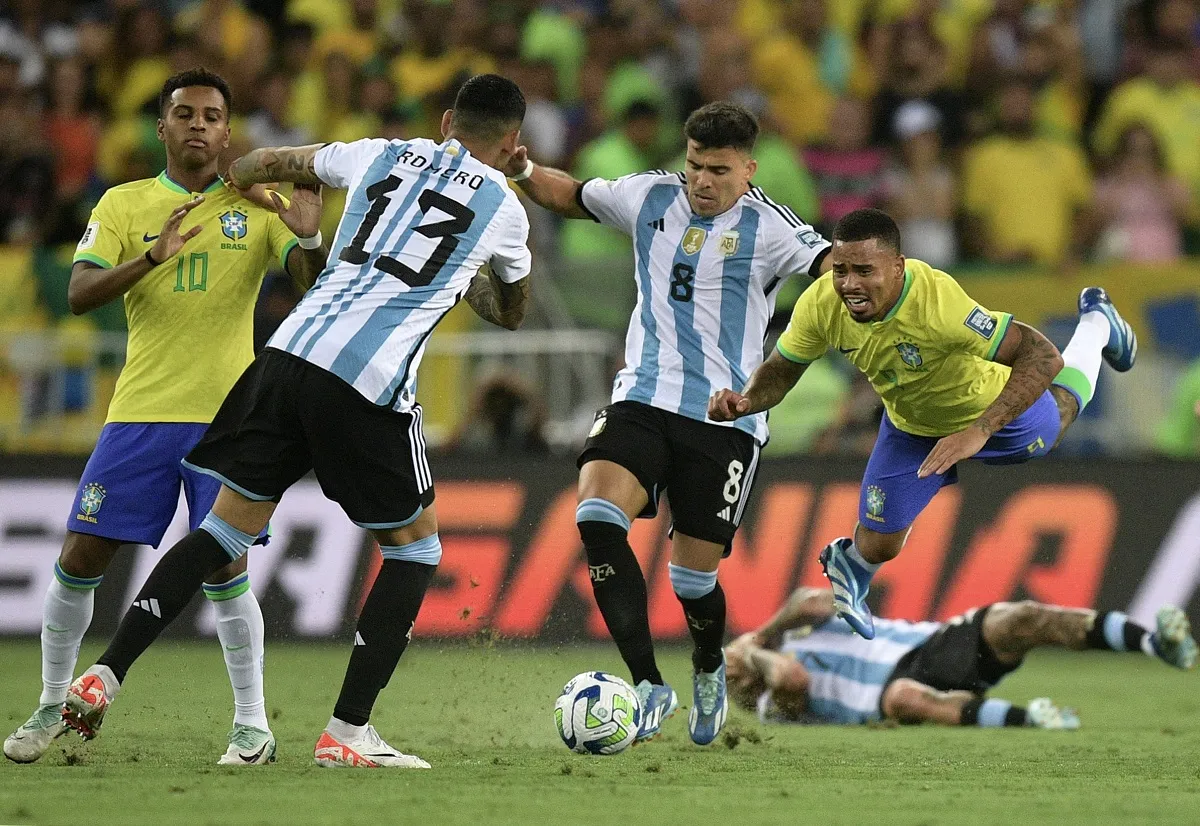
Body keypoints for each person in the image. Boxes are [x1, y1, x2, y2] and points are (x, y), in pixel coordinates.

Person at [58, 73, 533, 770]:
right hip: (367, 381)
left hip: (286, 355)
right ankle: (347, 732)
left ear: (444, 120)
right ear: (513, 142)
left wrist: (261, 189)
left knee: (222, 529)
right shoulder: (506, 208)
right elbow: (511, 311)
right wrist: (461, 276)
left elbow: (252, 164)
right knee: (415, 550)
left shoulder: (376, 153)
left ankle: (105, 673)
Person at [4, 68, 327, 766]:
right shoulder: (125, 203)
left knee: (224, 572)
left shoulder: (260, 203)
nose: (198, 125)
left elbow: (311, 286)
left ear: (228, 131)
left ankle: (252, 727)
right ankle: (51, 704)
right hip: (140, 415)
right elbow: (81, 291)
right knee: (79, 556)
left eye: (212, 115)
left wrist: (307, 241)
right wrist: (151, 256)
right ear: (162, 128)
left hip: (227, 424)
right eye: (184, 114)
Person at [506, 100, 831, 746]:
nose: (702, 181)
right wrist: (522, 169)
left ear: (748, 168)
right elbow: (572, 195)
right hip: (643, 396)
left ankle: (708, 666)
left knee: (691, 579)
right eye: (693, 166)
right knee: (597, 518)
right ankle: (650, 682)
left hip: (725, 420)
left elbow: (829, 265)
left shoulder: (771, 227)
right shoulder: (651, 197)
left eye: (717, 170)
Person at [709, 208, 1137, 640]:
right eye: (840, 270)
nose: (849, 285)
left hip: (986, 407)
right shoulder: (822, 303)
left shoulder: (938, 304)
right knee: (878, 543)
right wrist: (745, 401)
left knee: (1058, 417)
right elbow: (782, 370)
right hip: (911, 426)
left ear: (897, 268)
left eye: (864, 271)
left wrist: (980, 429)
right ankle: (851, 565)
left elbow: (1043, 356)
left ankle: (1097, 323)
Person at [724, 586, 1197, 727]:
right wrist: (755, 657)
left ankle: (1156, 644)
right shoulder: (771, 709)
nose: (736, 677)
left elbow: (816, 598)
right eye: (732, 680)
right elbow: (792, 680)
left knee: (1023, 618)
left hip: (932, 646)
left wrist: (759, 635)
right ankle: (1033, 719)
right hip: (885, 696)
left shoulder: (797, 629)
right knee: (907, 698)